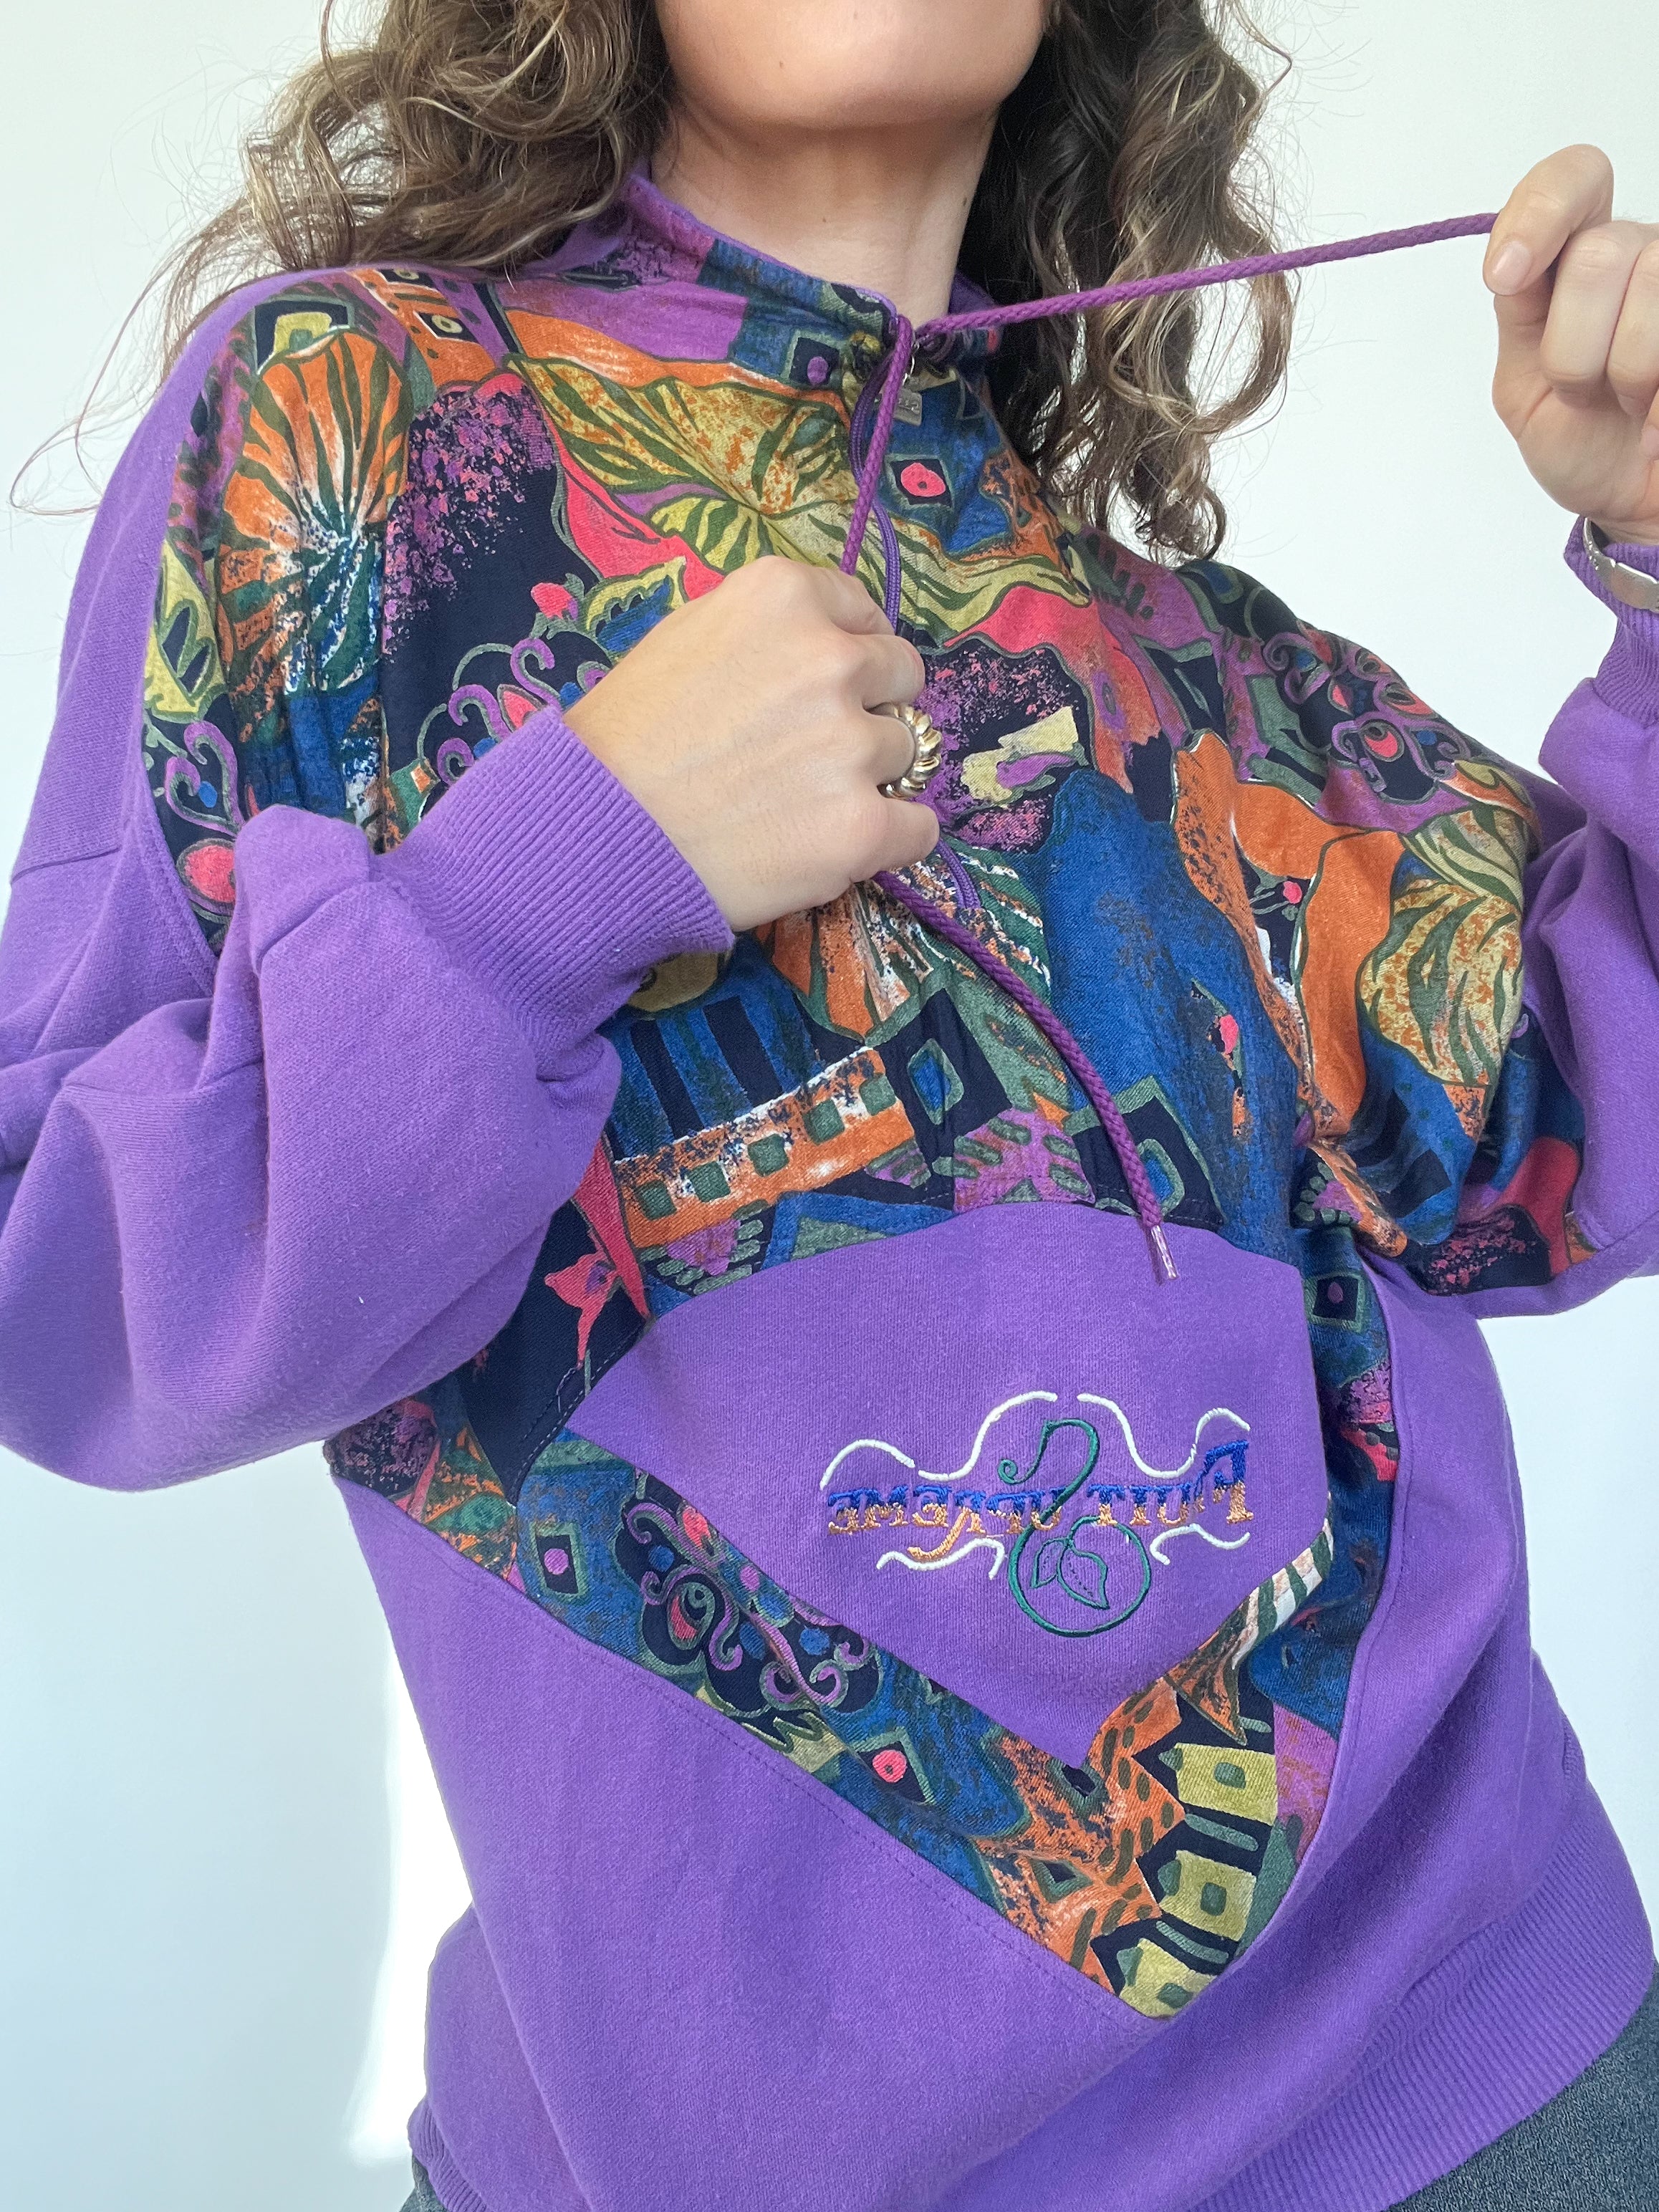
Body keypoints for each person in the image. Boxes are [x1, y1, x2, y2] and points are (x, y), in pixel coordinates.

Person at [4, 1, 1658, 2206]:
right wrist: (560, 870)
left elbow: (1571, 1150)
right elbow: (68, 1293)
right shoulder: (340, 425)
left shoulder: (1203, 669)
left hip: (1458, 2097)